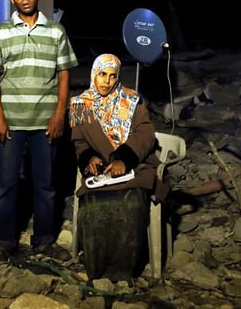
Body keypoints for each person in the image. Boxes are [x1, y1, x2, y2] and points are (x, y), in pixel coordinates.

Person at [0, 0, 78, 262]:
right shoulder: (2, 32)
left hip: (46, 123)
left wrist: (59, 115)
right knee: (8, 184)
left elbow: (64, 75)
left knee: (45, 186)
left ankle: (44, 241)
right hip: (10, 123)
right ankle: (5, 242)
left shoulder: (56, 32)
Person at [69, 53, 169, 282]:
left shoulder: (132, 100)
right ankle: (97, 271)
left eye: (112, 76)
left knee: (130, 207)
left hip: (133, 169)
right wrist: (89, 158)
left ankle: (123, 273)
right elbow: (79, 142)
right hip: (100, 174)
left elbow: (146, 134)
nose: (106, 81)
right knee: (93, 211)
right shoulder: (79, 105)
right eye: (102, 74)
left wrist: (124, 158)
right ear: (93, 74)